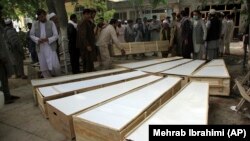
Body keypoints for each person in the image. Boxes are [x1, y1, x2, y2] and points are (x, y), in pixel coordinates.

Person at [30, 9, 61, 78]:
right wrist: (37, 40)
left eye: (43, 16)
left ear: (45, 15)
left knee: (55, 65)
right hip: (40, 47)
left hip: (50, 46)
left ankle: (58, 78)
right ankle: (47, 80)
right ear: (38, 17)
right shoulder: (35, 24)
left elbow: (56, 35)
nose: (42, 18)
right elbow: (31, 35)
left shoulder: (51, 23)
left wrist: (48, 39)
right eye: (40, 17)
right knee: (44, 66)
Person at [0, 4, 20, 104]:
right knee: (1, 78)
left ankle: (7, 95)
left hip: (4, 55)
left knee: (4, 77)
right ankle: (4, 98)